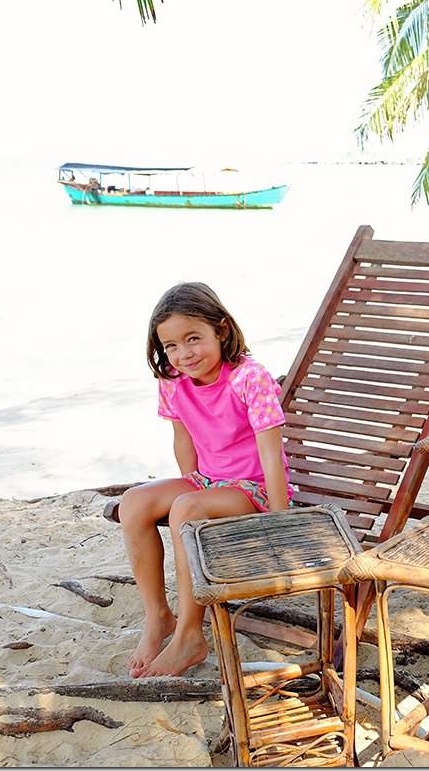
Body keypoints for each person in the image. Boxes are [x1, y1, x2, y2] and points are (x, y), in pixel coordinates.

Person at [118, 282, 291, 678]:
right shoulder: (172, 381)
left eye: (193, 338)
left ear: (222, 330)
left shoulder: (251, 378)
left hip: (254, 489)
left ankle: (189, 636)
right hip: (209, 481)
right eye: (172, 346)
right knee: (134, 502)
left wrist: (281, 521)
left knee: (187, 507)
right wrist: (191, 483)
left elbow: (271, 453)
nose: (183, 354)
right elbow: (184, 440)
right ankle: (158, 616)